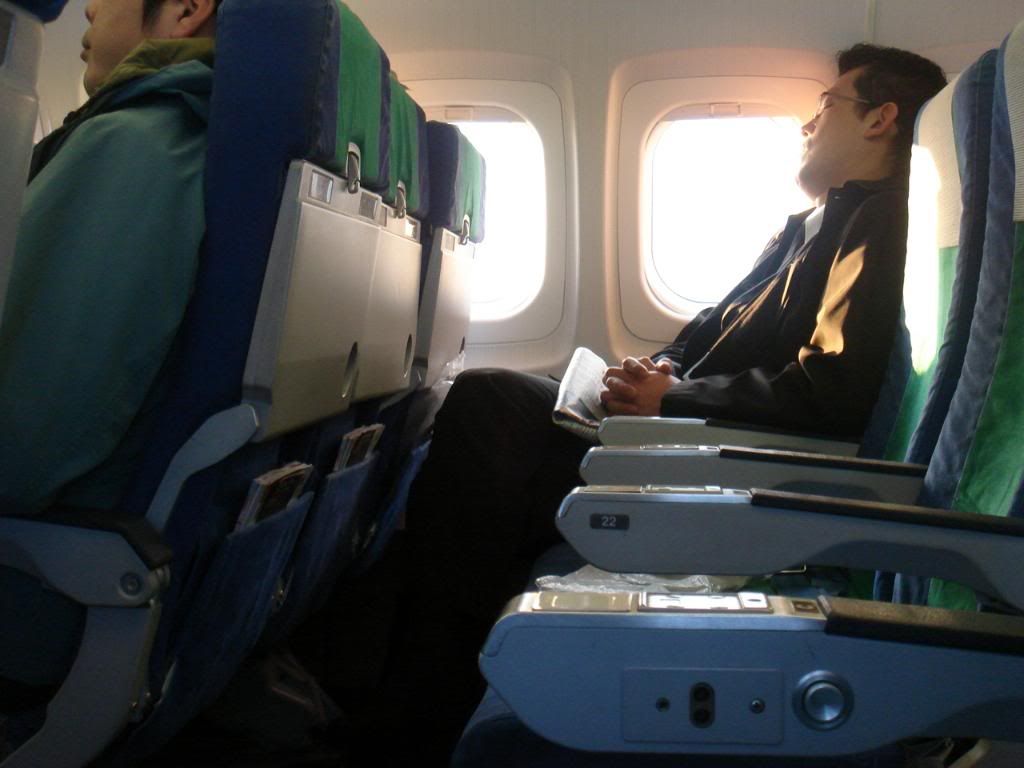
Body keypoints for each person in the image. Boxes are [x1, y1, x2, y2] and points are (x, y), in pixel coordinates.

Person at [371, 43, 947, 764]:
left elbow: (831, 389)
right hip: (677, 431)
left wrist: (673, 399)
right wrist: (657, 370)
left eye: (826, 106)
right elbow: (702, 334)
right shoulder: (806, 226)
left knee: (489, 410)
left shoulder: (880, 221)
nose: (808, 124)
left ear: (881, 119)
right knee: (488, 427)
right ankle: (427, 692)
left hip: (716, 459)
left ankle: (415, 711)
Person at [0, 0, 219, 735]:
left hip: (35, 584)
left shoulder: (135, 146)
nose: (88, 6)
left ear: (186, 8)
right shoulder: (201, 136)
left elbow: (21, 444)